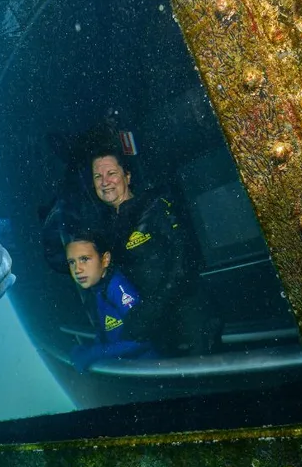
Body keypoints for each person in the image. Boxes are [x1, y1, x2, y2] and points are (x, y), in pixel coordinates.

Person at [89, 147, 223, 356]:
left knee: (205, 382)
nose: (104, 181)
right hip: (156, 327)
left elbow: (185, 257)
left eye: (111, 173)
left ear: (128, 176)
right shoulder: (106, 227)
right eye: (98, 176)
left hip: (190, 318)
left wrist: (154, 307)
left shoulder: (154, 206)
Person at [66, 230, 157, 373]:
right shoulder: (97, 290)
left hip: (147, 371)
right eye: (72, 262)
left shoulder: (117, 288)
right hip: (127, 370)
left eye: (84, 259)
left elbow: (141, 341)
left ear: (105, 259)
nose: (77, 269)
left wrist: (93, 353)